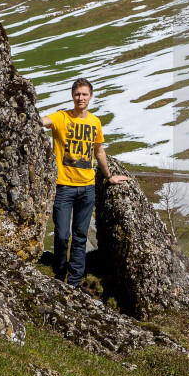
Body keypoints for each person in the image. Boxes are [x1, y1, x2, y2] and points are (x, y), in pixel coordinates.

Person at [40, 78, 128, 286]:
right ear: (72, 95)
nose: (81, 97)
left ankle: (75, 281)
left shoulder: (95, 122)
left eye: (84, 94)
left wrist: (109, 176)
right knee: (62, 235)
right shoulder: (61, 117)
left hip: (87, 188)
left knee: (80, 236)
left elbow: (99, 151)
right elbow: (42, 121)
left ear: (91, 96)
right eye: (77, 94)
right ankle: (60, 273)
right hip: (63, 186)